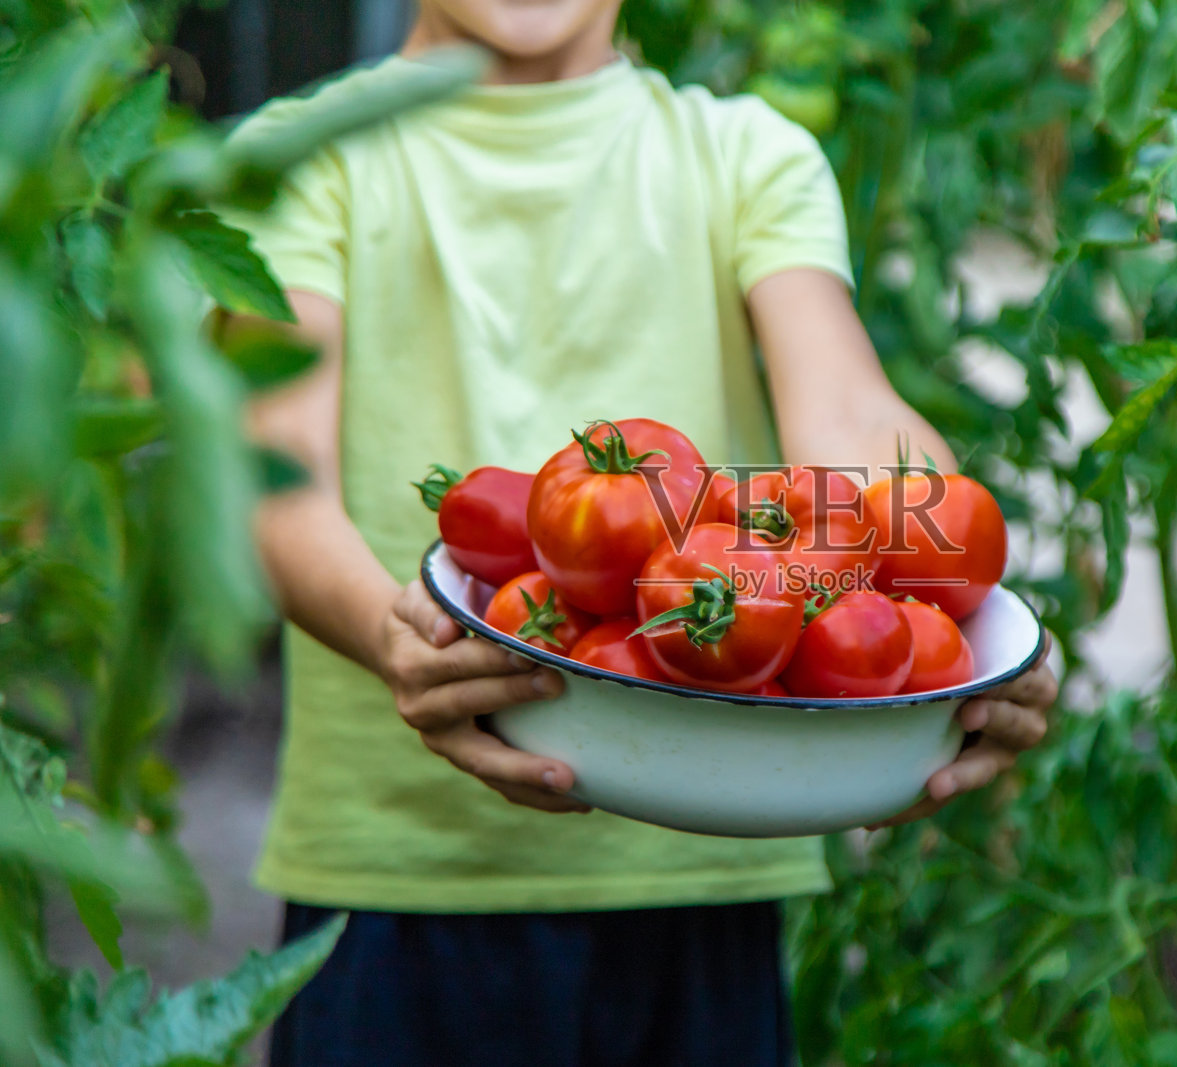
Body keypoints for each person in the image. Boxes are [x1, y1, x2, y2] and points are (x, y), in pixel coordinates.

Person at [228, 0, 1058, 1063]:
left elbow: (847, 414)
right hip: (396, 874)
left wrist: (977, 621)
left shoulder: (745, 155)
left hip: (707, 851)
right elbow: (274, 476)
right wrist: (398, 634)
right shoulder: (302, 160)